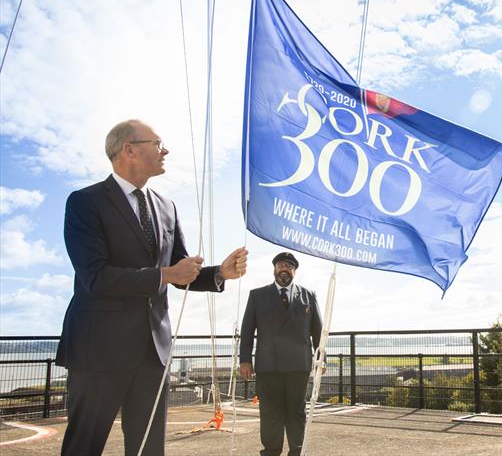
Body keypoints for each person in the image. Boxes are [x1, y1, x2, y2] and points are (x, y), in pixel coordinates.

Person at [55, 119, 248, 456]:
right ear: (128, 149)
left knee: (149, 449)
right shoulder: (85, 203)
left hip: (153, 353)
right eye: (157, 143)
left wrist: (220, 274)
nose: (166, 150)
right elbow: (96, 277)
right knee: (84, 446)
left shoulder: (166, 207)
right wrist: (166, 274)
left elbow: (181, 268)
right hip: (99, 348)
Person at [239, 251, 322, 456]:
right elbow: (247, 330)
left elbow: (318, 332)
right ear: (274, 269)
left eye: (289, 266)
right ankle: (271, 451)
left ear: (294, 271)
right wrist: (245, 360)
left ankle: (297, 451)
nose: (284, 269)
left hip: (298, 365)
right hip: (269, 365)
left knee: (296, 412)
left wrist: (321, 360)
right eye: (280, 265)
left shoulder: (308, 295)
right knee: (269, 412)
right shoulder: (257, 295)